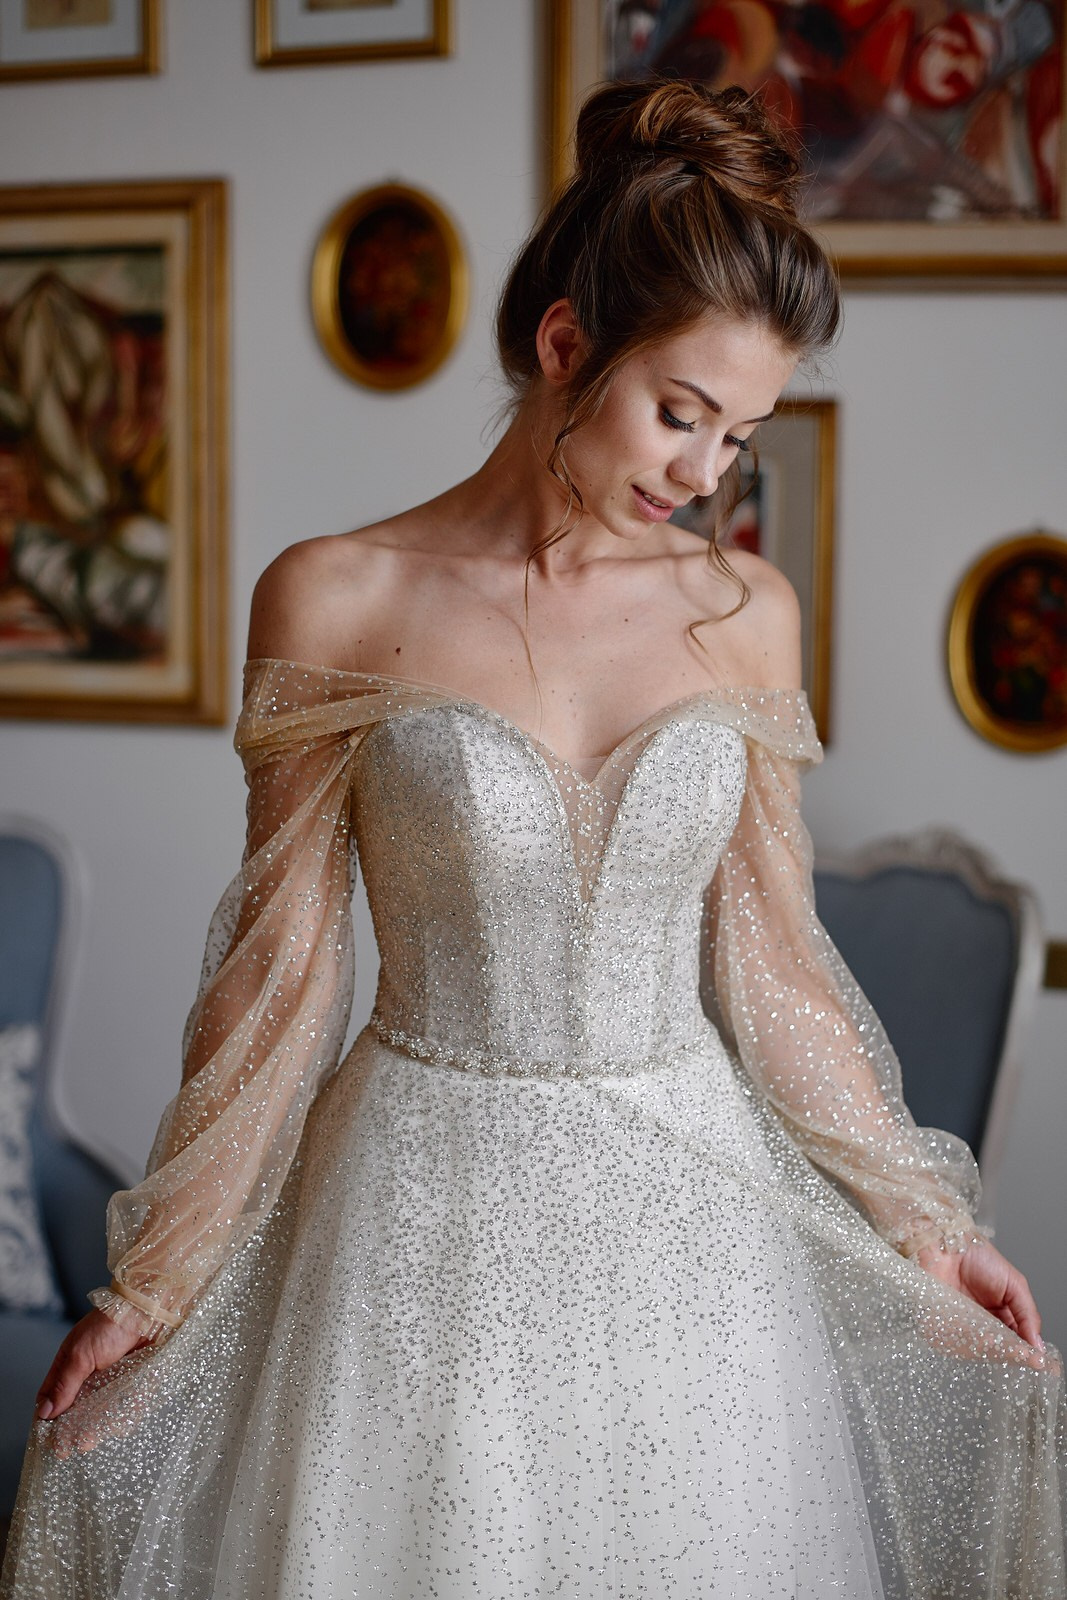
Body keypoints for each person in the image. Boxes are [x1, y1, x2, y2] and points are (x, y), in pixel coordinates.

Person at [2, 79, 1063, 1600]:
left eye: (741, 435)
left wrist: (921, 1219)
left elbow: (769, 962)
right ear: (566, 345)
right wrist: (155, 1284)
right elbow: (283, 972)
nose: (706, 476)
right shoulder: (337, 598)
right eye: (680, 413)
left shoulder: (744, 616)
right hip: (417, 1232)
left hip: (691, 1242)